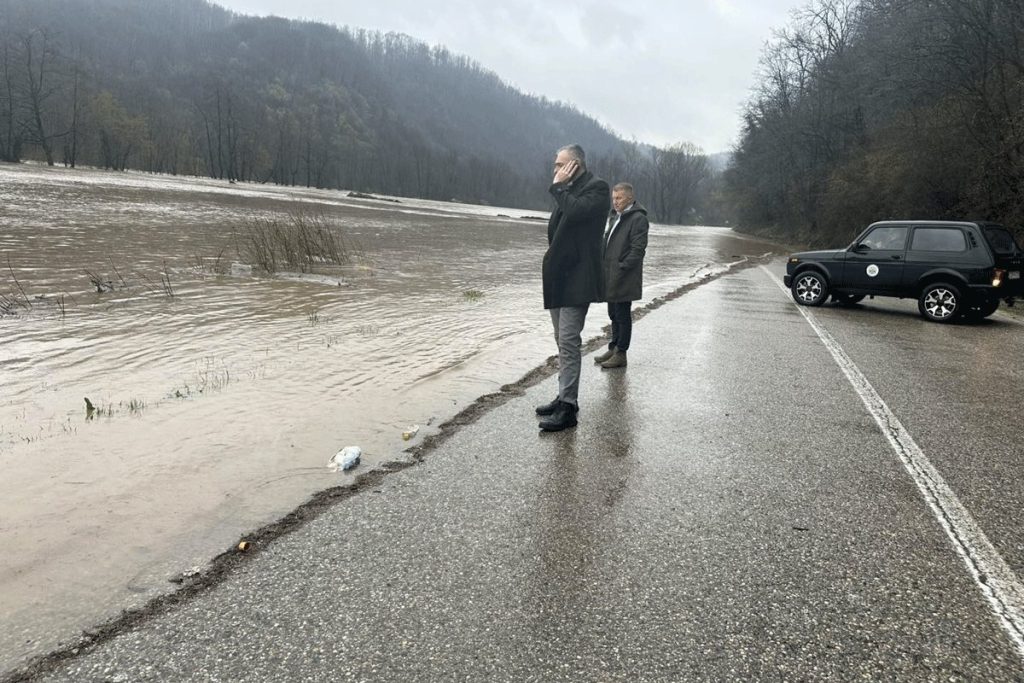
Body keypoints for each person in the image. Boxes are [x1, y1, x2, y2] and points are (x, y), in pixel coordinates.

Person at [535, 144, 610, 432]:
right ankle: (564, 396)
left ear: (574, 165)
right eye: (555, 165)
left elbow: (577, 213)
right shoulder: (568, 190)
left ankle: (568, 408)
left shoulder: (598, 188)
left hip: (578, 277)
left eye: (559, 164)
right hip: (559, 275)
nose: (555, 169)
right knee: (560, 339)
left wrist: (558, 188)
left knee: (568, 340)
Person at [594, 182, 649, 369]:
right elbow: (606, 242)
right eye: (613, 198)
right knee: (612, 314)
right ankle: (613, 347)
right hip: (609, 274)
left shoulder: (638, 218)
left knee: (622, 314)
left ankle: (621, 354)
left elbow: (638, 249)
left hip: (624, 276)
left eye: (619, 198)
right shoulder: (614, 216)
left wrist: (622, 267)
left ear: (630, 198)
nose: (615, 202)